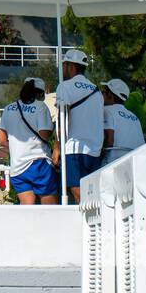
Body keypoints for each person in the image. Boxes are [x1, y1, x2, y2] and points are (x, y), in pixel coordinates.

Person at [54, 49, 104, 203]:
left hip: (73, 147)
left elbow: (63, 116)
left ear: (71, 66)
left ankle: (85, 224)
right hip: (95, 149)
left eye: (65, 65)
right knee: (92, 192)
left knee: (77, 191)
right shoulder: (97, 91)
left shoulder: (65, 86)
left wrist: (57, 147)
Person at [0, 77, 56, 205]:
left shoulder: (9, 108)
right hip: (38, 162)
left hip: (17, 165)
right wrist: (53, 127)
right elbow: (44, 135)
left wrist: (17, 147)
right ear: (41, 93)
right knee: (49, 208)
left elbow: (1, 140)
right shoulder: (40, 107)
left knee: (27, 206)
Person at [100, 79, 144, 165]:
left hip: (113, 162)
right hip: (134, 162)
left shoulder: (106, 110)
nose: (101, 94)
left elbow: (109, 141)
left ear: (110, 94)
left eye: (103, 92)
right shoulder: (134, 117)